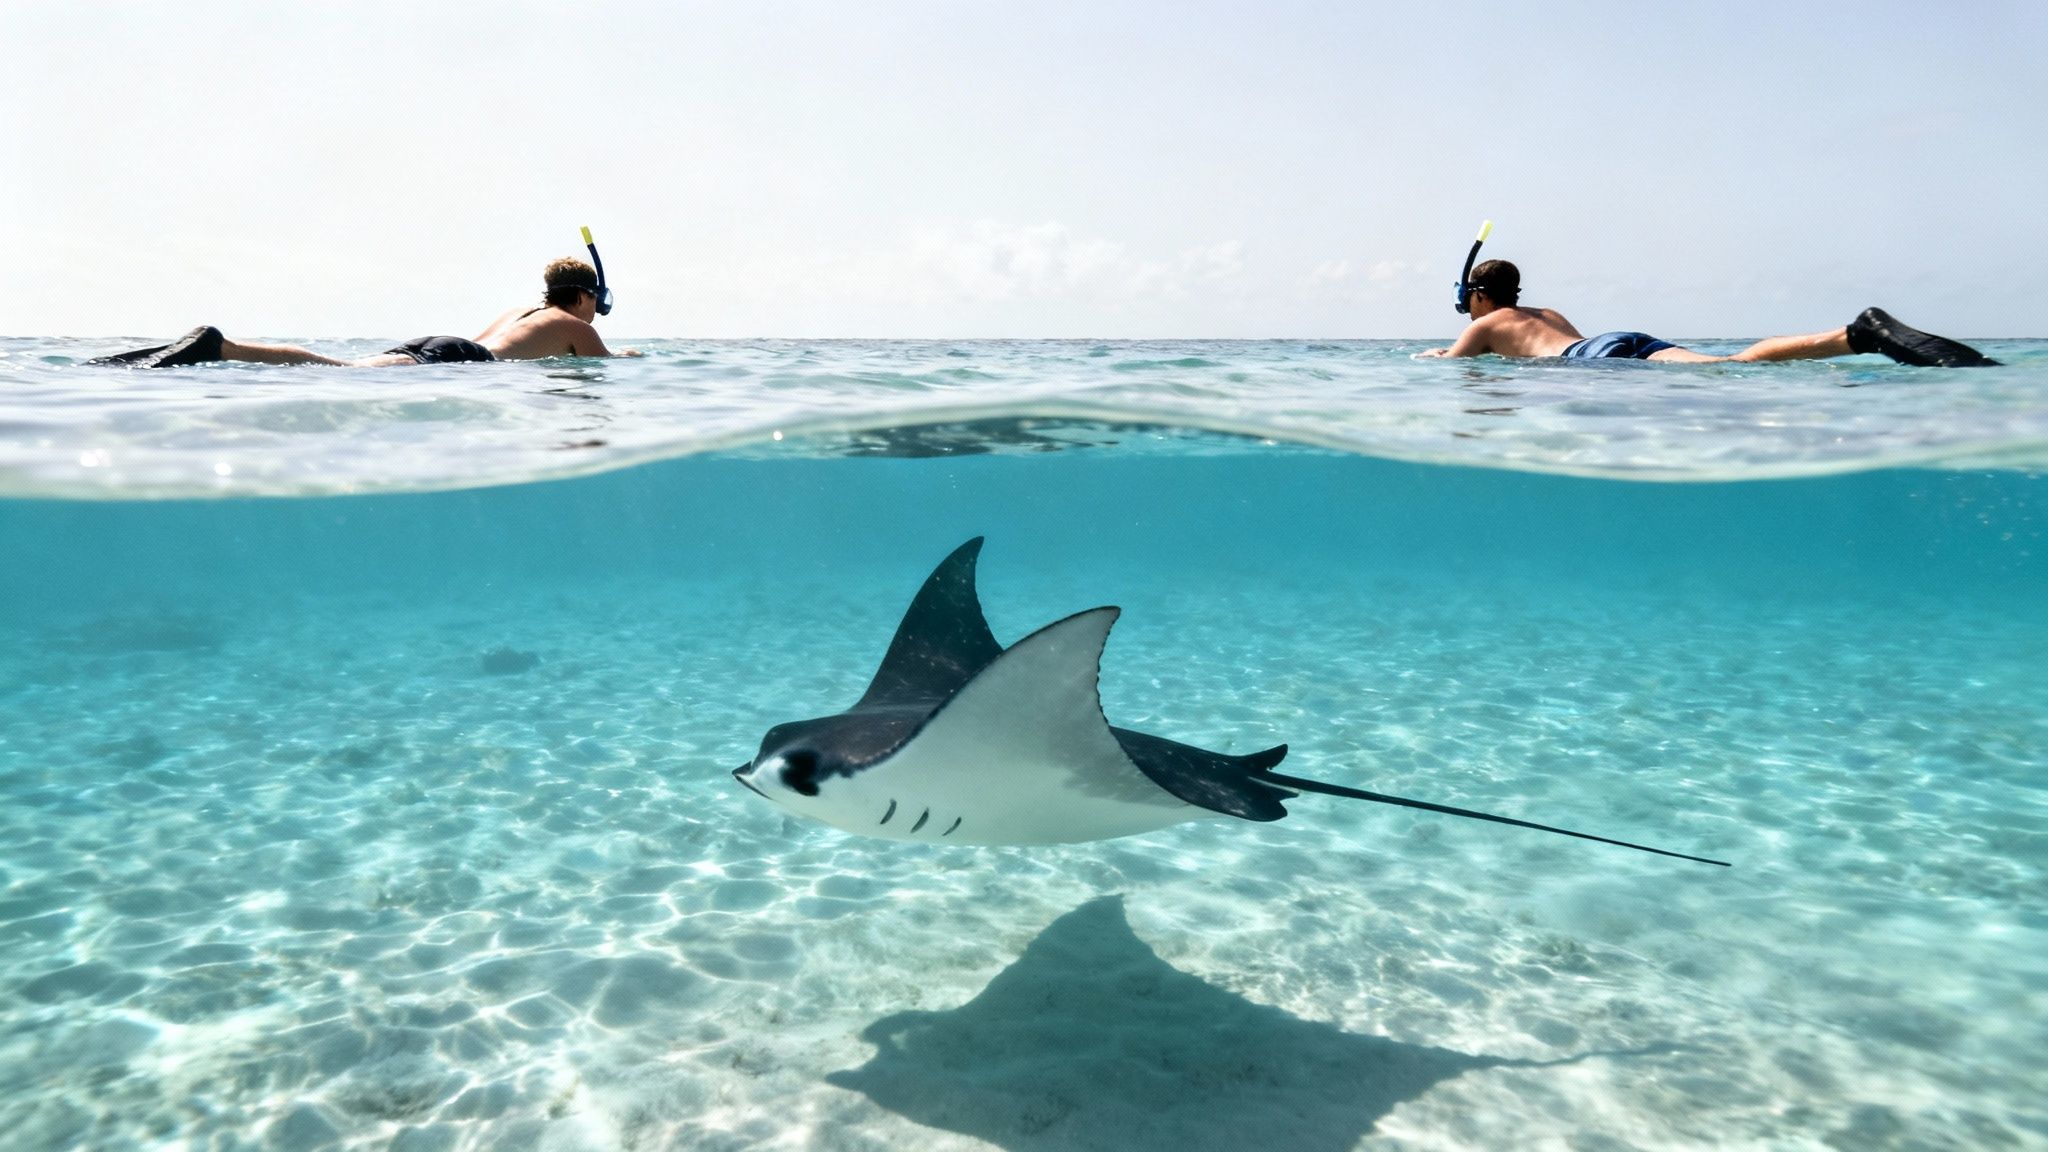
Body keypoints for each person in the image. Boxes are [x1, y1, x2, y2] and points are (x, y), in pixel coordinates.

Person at [1420, 260, 1996, 367]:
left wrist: (1430, 354)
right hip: (1616, 339)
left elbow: (1452, 361)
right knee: (1728, 361)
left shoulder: (1483, 324)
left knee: (1733, 367)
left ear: (1478, 294)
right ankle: (1855, 336)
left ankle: (1858, 334)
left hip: (1592, 360)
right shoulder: (1546, 310)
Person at [93, 257, 638, 368]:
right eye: (599, 303)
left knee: (343, 370)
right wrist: (632, 355)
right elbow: (604, 361)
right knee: (340, 373)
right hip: (462, 360)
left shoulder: (520, 310)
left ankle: (224, 349)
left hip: (448, 346)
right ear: (587, 296)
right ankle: (222, 346)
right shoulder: (574, 326)